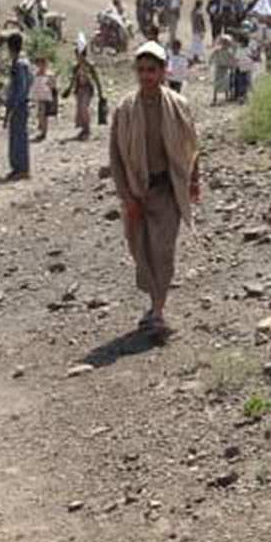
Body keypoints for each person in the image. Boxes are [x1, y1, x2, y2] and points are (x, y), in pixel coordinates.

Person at [107, 42, 201, 341]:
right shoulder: (124, 109)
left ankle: (158, 312)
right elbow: (116, 158)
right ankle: (153, 304)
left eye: (152, 70)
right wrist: (126, 197)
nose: (146, 76)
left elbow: (192, 148)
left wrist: (194, 181)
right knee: (141, 251)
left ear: (163, 72)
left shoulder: (178, 105)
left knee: (163, 251)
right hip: (137, 192)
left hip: (168, 190)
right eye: (142, 70)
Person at [3, 33, 32, 180]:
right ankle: (17, 168)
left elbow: (21, 86)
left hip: (19, 105)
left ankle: (22, 168)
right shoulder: (24, 61)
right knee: (16, 136)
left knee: (19, 136)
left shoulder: (19, 64)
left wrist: (14, 104)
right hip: (19, 103)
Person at [69, 47, 103, 141]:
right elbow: (73, 80)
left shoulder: (89, 65)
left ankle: (87, 128)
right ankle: (84, 127)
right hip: (79, 89)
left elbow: (96, 78)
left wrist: (100, 91)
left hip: (88, 89)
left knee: (84, 108)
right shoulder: (75, 67)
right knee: (80, 109)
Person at [30, 55, 56, 141]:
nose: (41, 66)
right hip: (39, 96)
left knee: (44, 114)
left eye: (43, 63)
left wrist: (50, 85)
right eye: (39, 64)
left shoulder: (49, 74)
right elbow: (33, 84)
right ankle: (42, 129)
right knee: (40, 113)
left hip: (46, 96)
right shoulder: (35, 74)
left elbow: (53, 85)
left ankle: (44, 132)